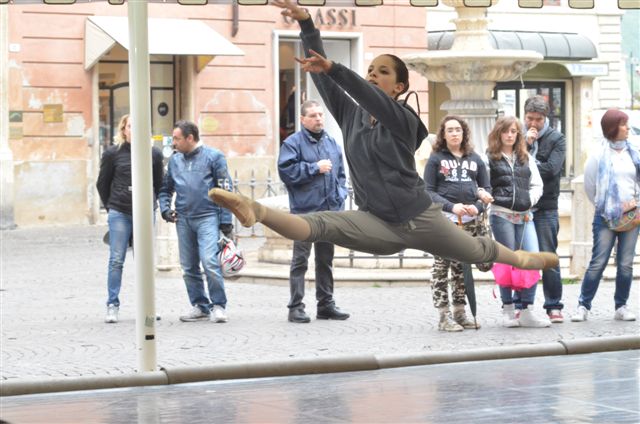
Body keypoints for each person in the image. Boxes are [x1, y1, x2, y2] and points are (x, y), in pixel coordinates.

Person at [209, 0, 559, 298]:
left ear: (400, 86)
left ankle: (525, 259)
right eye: (370, 70)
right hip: (376, 220)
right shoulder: (351, 116)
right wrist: (306, 22)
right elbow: (324, 79)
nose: (373, 75)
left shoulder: (405, 120)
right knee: (319, 225)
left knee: (476, 250)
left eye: (382, 72)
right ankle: (255, 209)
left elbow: (366, 95)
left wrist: (337, 69)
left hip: (420, 218)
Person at [278, 100, 350, 323]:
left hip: (330, 211)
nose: (319, 118)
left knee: (325, 260)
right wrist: (314, 168)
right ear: (302, 119)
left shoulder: (331, 142)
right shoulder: (292, 143)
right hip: (305, 212)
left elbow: (340, 175)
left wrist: (340, 196)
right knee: (300, 260)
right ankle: (296, 307)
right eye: (313, 115)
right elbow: (286, 172)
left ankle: (326, 305)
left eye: (320, 114)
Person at [159, 120, 234, 323]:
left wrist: (226, 221)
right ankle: (200, 305)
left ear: (190, 138)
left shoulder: (214, 157)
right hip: (183, 219)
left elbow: (226, 190)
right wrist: (166, 209)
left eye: (177, 138)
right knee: (189, 267)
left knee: (209, 262)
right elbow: (165, 189)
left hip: (208, 217)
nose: (173, 143)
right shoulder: (174, 161)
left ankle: (218, 305)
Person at [424, 115, 493, 332]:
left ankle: (460, 312)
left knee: (462, 268)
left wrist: (478, 207)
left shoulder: (475, 158)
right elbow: (428, 191)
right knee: (441, 267)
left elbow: (487, 189)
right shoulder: (436, 159)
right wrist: (451, 207)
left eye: (458, 130)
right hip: (445, 223)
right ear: (443, 134)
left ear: (464, 133)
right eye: (450, 130)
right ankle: (444, 316)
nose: (454, 133)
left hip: (470, 222)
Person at [571, 109, 639, 323]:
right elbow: (591, 188)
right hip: (605, 217)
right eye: (623, 125)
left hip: (631, 216)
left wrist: (634, 204)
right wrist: (608, 207)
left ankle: (621, 305)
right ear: (612, 128)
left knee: (626, 263)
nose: (627, 128)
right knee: (598, 262)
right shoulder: (598, 155)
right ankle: (583, 305)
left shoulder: (634, 152)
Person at [96, 114, 164, 323]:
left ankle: (148, 306)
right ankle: (112, 305)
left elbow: (159, 183)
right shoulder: (112, 154)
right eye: (130, 126)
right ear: (123, 129)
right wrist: (111, 206)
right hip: (120, 212)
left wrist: (154, 204)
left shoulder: (153, 154)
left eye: (139, 126)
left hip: (144, 212)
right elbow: (102, 183)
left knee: (144, 260)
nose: (134, 130)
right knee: (117, 259)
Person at [486, 116, 550, 328]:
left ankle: (527, 310)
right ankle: (508, 309)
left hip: (525, 216)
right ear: (499, 133)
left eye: (514, 131)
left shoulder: (525, 157)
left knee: (532, 260)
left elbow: (537, 185)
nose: (510, 135)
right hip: (501, 215)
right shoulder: (489, 157)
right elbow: (484, 185)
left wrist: (528, 201)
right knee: (507, 262)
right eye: (506, 131)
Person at [523, 95, 567, 323]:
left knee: (548, 257)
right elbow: (507, 164)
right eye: (529, 118)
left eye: (538, 119)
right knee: (522, 258)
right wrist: (526, 145)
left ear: (545, 118)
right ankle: (522, 305)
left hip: (546, 206)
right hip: (520, 207)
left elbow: (552, 169)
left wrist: (528, 163)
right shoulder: (517, 137)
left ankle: (553, 305)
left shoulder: (557, 138)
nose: (533, 123)